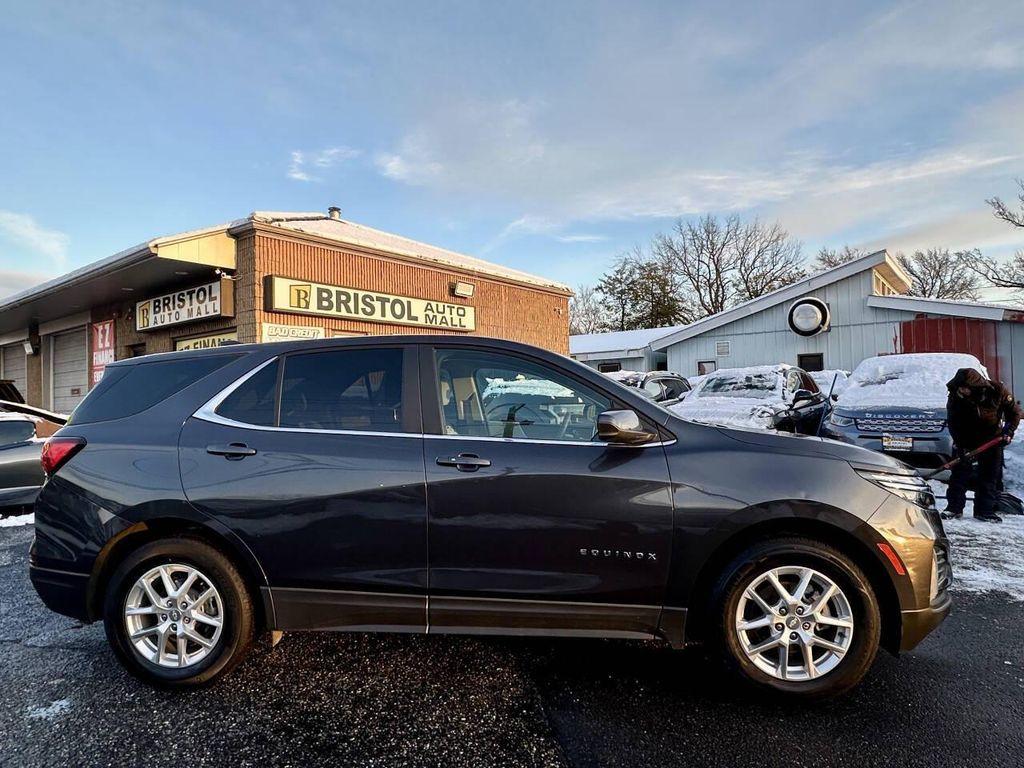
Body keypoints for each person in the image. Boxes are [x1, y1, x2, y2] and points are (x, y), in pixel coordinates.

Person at [942, 368, 1021, 522]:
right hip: (965, 439)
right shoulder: (955, 396)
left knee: (989, 477)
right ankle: (954, 508)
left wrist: (1008, 432)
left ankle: (984, 511)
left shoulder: (997, 390)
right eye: (960, 388)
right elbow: (953, 423)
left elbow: (1014, 413)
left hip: (992, 439)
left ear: (975, 386)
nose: (962, 391)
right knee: (959, 476)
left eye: (966, 388)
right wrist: (961, 445)